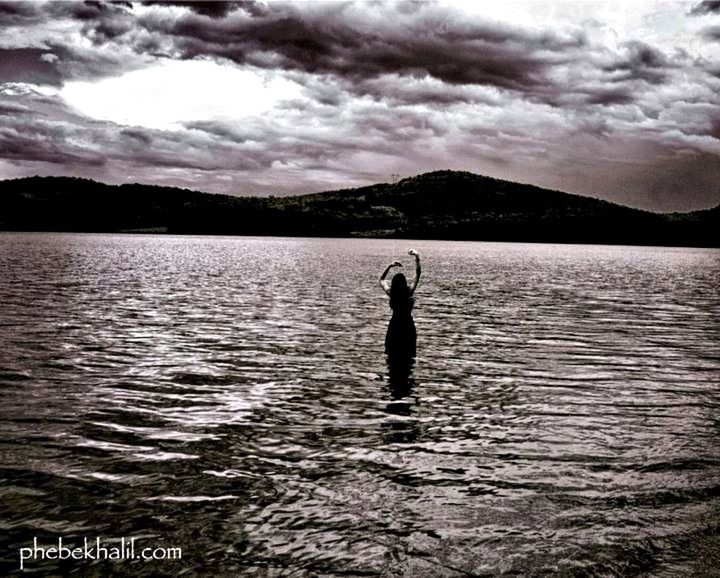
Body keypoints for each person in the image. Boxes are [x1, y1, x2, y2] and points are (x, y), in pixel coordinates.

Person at [379, 249, 421, 359]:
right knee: (409, 352)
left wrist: (389, 266)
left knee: (391, 352)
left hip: (395, 325)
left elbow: (381, 280)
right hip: (407, 325)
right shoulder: (409, 292)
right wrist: (417, 256)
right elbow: (418, 274)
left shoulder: (391, 293)